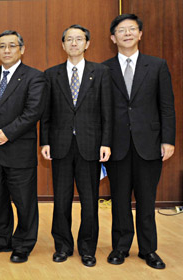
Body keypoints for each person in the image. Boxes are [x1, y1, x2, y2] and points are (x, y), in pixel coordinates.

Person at [103, 14, 175, 270]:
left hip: (150, 143)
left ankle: (149, 249)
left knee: (147, 199)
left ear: (140, 34)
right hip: (117, 145)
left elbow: (166, 106)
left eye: (132, 29)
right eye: (121, 30)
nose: (127, 34)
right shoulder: (104, 69)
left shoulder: (157, 65)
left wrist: (168, 139)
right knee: (119, 199)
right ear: (113, 38)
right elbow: (101, 110)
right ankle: (120, 247)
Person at [40, 24, 112, 267]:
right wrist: (45, 141)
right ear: (62, 45)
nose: (74, 43)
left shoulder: (100, 72)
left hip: (90, 145)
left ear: (87, 44)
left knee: (90, 200)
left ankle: (87, 248)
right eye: (69, 39)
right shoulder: (51, 74)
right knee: (61, 199)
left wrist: (106, 143)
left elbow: (107, 112)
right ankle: (62, 246)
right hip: (60, 145)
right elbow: (45, 113)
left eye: (78, 39)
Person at [0, 30, 46, 263]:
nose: (6, 50)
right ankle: (2, 238)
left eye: (12, 46)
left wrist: (7, 133)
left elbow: (33, 111)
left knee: (24, 200)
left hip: (19, 150)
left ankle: (23, 243)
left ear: (22, 49)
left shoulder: (34, 77)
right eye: (2, 46)